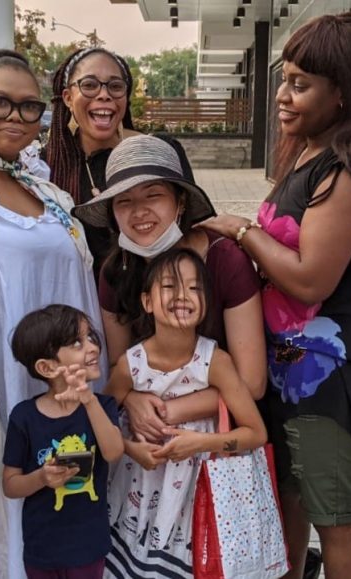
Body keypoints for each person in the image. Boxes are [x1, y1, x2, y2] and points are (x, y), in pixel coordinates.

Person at [199, 13, 351, 579]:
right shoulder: (307, 152)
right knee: (290, 498)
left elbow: (310, 279)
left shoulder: (350, 165)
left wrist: (240, 230)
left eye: (301, 84)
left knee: (336, 513)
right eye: (284, 79)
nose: (283, 94)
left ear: (344, 93)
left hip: (340, 369)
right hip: (297, 361)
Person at [0, 48, 105, 579]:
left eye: (29, 106)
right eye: (0, 103)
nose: (16, 117)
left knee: (74, 499)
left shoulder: (44, 183)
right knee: (13, 491)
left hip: (73, 379)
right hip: (6, 384)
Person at [71, 134, 266, 440]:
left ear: (181, 200)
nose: (139, 212)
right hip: (142, 440)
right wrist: (132, 400)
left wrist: (167, 413)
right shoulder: (116, 271)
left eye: (153, 196)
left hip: (210, 436)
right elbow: (116, 362)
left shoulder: (225, 260)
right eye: (124, 201)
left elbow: (252, 383)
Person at [102, 248, 268, 578]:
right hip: (139, 490)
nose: (183, 296)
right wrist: (133, 448)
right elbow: (102, 421)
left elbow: (256, 434)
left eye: (194, 288)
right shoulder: (130, 366)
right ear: (147, 301)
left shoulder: (216, 362)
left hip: (200, 495)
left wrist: (201, 443)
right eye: (170, 286)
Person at [45, 47, 194, 275]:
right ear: (67, 97)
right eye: (89, 85)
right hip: (78, 301)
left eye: (115, 86)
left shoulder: (159, 153)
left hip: (160, 294)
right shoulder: (47, 167)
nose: (104, 95)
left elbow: (190, 227)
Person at [3, 304, 123, 579]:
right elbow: (10, 484)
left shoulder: (102, 406)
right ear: (47, 367)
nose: (92, 347)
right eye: (77, 343)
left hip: (87, 547)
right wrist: (42, 478)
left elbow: (114, 451)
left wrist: (88, 400)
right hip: (41, 549)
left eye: (91, 337)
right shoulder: (24, 417)